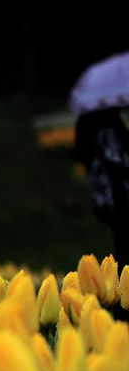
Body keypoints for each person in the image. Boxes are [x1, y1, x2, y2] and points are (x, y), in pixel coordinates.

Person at [75, 107, 129, 269]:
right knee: (122, 234)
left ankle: (122, 273)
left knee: (120, 235)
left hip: (107, 191)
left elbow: (81, 153)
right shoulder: (110, 121)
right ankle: (124, 274)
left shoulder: (86, 120)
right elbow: (119, 157)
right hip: (116, 189)